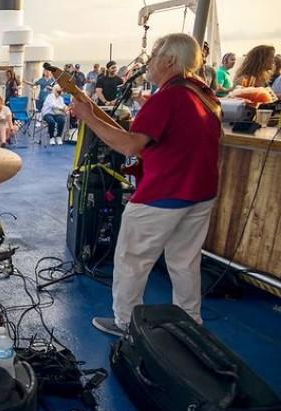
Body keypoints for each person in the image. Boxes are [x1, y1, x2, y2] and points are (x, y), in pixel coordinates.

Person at [71, 33, 221, 337]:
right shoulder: (203, 93)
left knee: (131, 260)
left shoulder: (168, 98)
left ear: (169, 60)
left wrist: (87, 116)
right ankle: (190, 322)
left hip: (163, 194)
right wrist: (95, 112)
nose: (149, 61)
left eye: (154, 55)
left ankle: (125, 322)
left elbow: (129, 146)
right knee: (184, 262)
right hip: (200, 193)